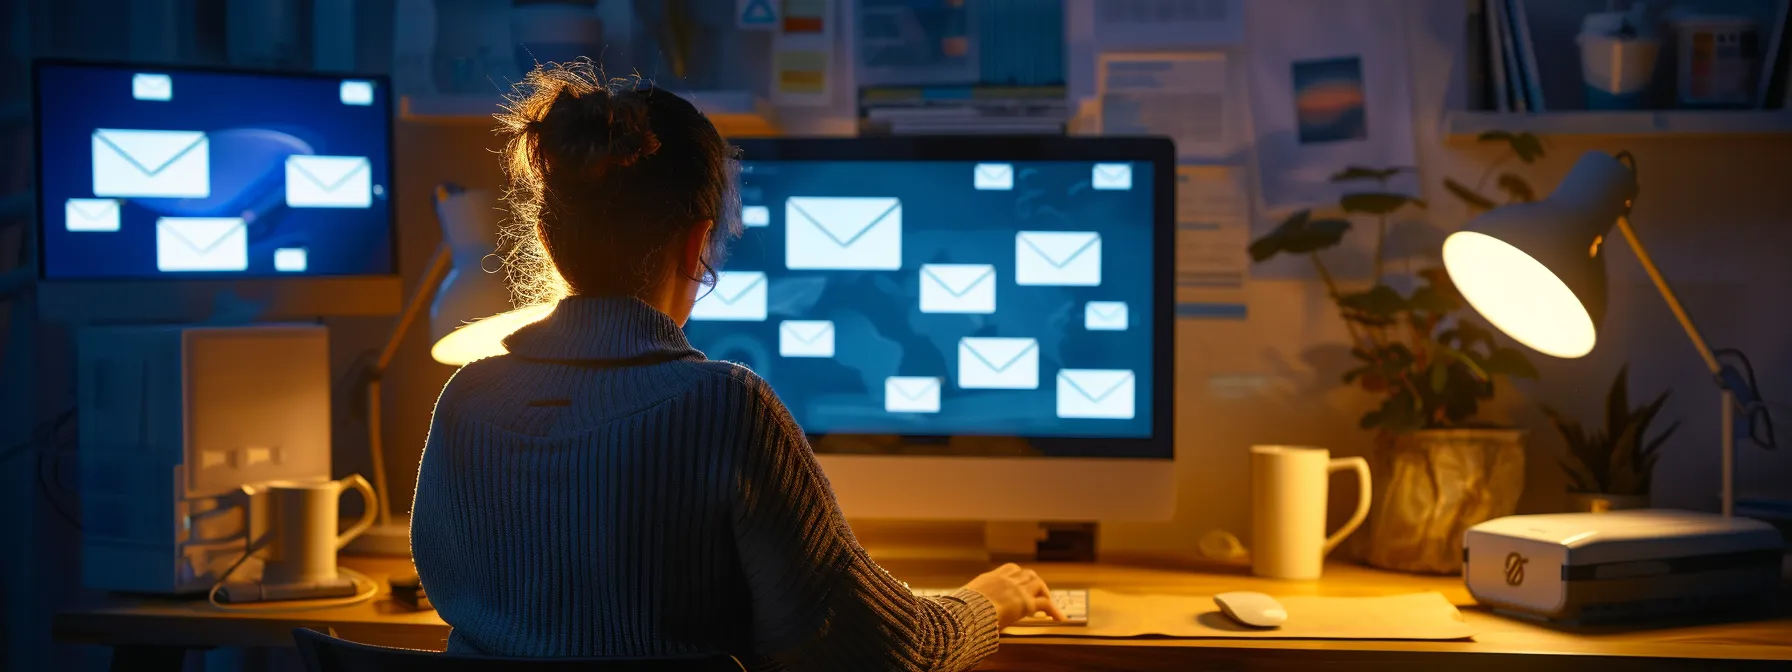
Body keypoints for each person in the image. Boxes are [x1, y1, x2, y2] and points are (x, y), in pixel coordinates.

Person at [409, 61, 1063, 672]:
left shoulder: (465, 402)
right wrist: (987, 602)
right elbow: (882, 652)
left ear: (548, 241)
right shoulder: (725, 409)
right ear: (696, 245)